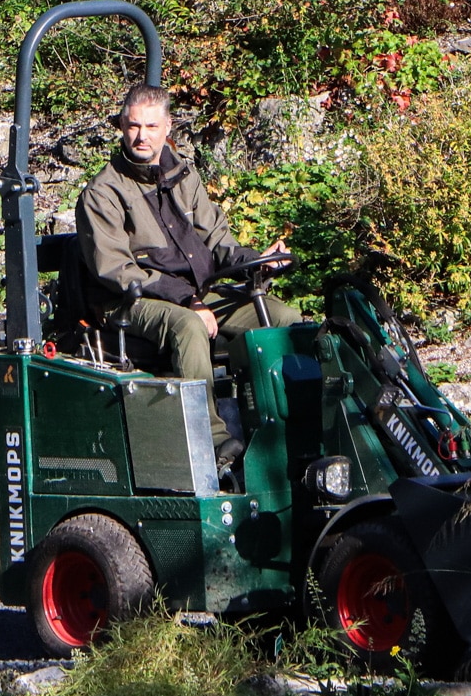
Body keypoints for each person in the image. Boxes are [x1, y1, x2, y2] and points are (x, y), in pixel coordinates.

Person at [75, 83, 301, 465]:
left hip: (195, 291)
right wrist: (187, 300)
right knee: (189, 327)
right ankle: (213, 441)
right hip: (129, 300)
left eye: (150, 126)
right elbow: (115, 269)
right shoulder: (103, 193)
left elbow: (217, 239)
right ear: (121, 127)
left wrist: (257, 260)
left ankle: (290, 425)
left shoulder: (182, 176)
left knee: (283, 318)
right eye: (133, 126)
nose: (141, 136)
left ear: (168, 128)